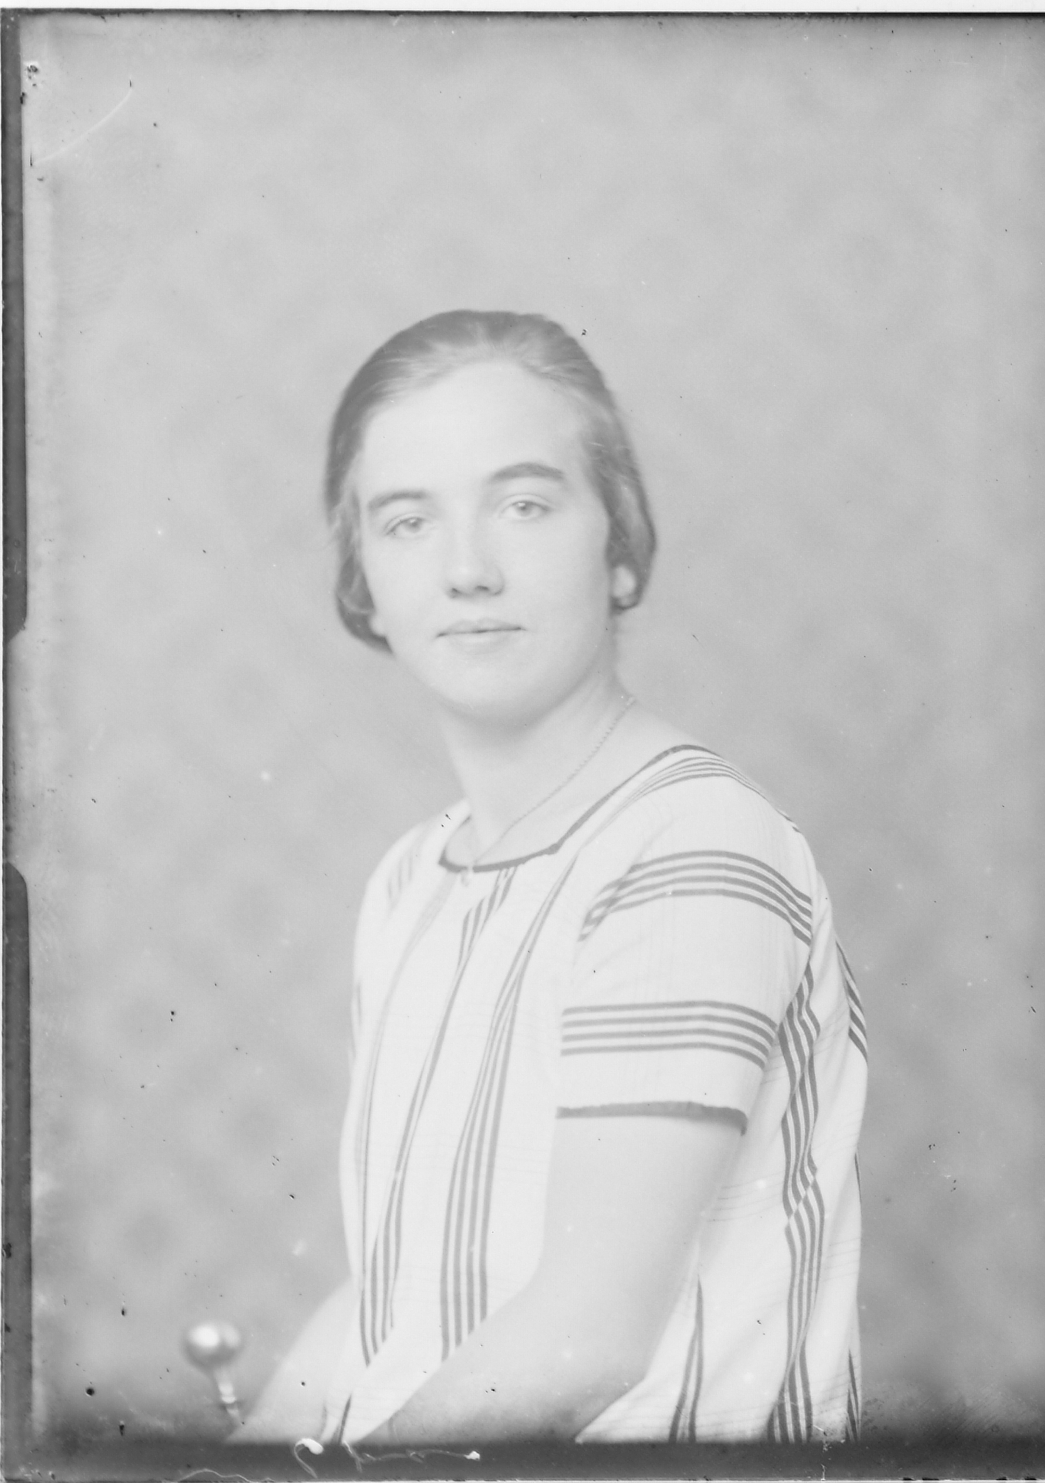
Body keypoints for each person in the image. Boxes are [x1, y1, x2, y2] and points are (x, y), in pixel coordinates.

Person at [237, 310, 867, 1447]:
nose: (468, 570)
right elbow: (398, 1299)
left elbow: (585, 1336)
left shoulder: (689, 844)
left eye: (524, 505)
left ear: (620, 546)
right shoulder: (413, 880)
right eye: (408, 521)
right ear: (363, 582)